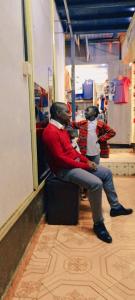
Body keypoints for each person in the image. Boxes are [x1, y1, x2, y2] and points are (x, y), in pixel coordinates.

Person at [42, 102, 133, 244]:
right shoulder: (50, 132)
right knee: (95, 184)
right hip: (63, 171)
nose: (69, 114)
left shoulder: (61, 129)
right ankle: (98, 224)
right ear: (59, 114)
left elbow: (72, 151)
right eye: (66, 112)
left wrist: (86, 161)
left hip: (73, 165)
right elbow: (61, 159)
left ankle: (115, 207)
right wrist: (84, 165)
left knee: (106, 173)